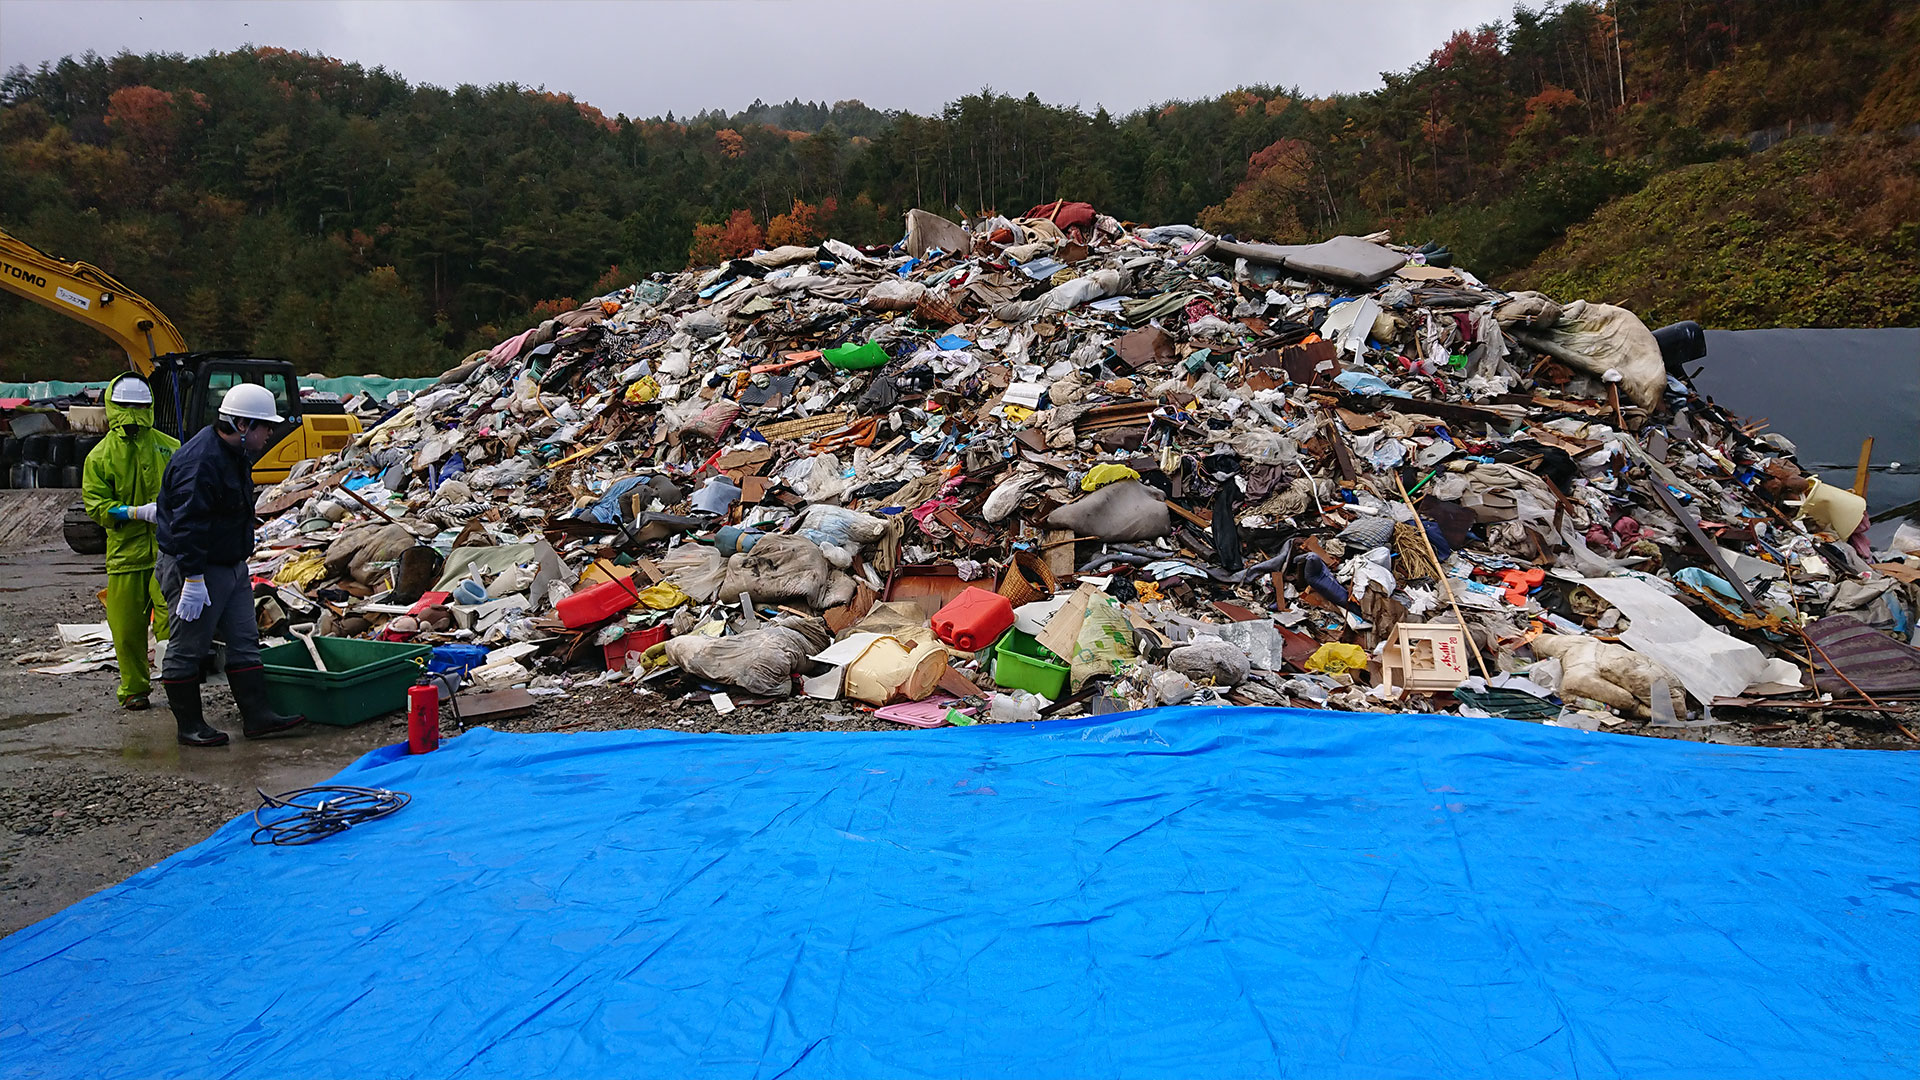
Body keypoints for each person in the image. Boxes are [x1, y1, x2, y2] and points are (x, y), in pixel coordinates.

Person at [155, 382, 304, 746]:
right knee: (188, 646)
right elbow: (188, 523)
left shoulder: (234, 454)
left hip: (231, 564)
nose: (270, 432)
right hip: (198, 566)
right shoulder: (201, 461)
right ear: (241, 425)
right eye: (265, 426)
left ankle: (258, 717)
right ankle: (189, 726)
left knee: (244, 640)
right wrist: (192, 578)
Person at [80, 374, 178, 710]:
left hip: (167, 553)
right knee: (126, 631)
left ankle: (177, 683)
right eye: (127, 406)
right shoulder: (100, 457)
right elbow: (96, 506)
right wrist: (136, 512)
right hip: (125, 557)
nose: (133, 413)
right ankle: (135, 689)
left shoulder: (170, 447)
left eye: (139, 406)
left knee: (171, 623)